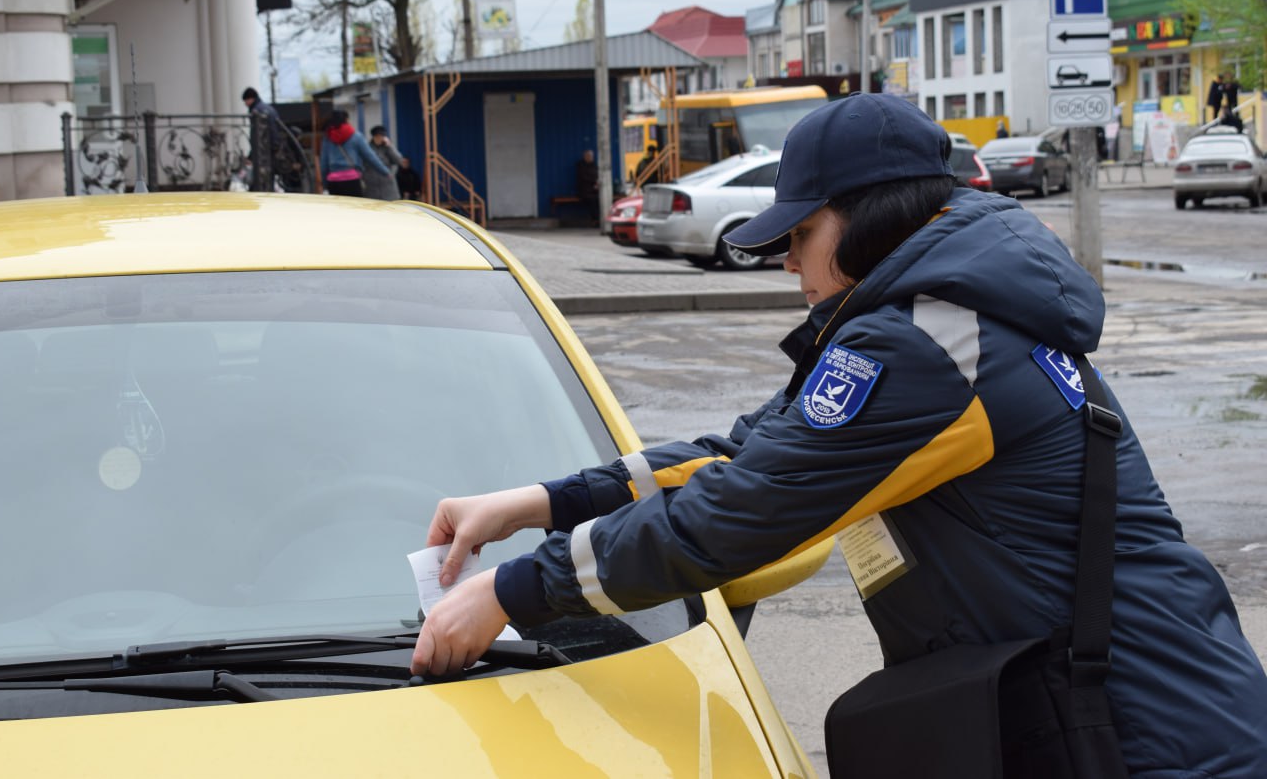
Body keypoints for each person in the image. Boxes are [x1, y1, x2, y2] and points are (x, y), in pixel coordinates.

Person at [409, 93, 1267, 776]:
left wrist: (513, 593)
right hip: (1113, 712)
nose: (786, 258)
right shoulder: (940, 322)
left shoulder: (927, 343)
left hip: (1147, 733)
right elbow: (749, 453)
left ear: (872, 219)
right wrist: (545, 501)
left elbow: (743, 507)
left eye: (801, 233)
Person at [318, 110, 388, 198]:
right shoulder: (356, 136)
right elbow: (370, 157)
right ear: (346, 120)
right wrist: (385, 172)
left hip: (334, 182)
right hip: (352, 180)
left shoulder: (328, 137)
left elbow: (324, 164)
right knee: (354, 209)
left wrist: (325, 184)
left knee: (337, 210)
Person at [364, 125, 402, 201]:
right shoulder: (367, 148)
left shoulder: (388, 147)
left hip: (388, 189)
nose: (380, 138)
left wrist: (390, 146)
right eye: (377, 136)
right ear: (373, 137)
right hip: (372, 188)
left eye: (382, 136)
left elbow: (398, 160)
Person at [575, 149, 599, 219]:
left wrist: (597, 183)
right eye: (588, 156)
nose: (590, 157)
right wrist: (594, 182)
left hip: (595, 190)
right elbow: (584, 178)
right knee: (593, 200)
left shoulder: (594, 165)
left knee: (601, 199)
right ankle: (595, 220)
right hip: (585, 191)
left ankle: (602, 219)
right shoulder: (581, 166)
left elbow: (598, 176)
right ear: (584, 156)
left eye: (591, 156)